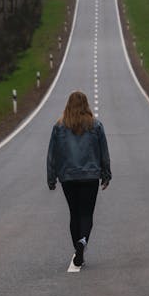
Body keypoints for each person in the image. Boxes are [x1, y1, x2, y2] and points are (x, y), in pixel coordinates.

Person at [47, 91, 111, 267]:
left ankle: (77, 246)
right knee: (86, 213)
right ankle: (82, 242)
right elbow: (103, 152)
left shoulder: (59, 127)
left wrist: (51, 178)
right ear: (86, 105)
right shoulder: (96, 126)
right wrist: (106, 174)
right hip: (90, 177)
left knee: (74, 213)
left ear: (68, 105)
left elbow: (52, 154)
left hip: (68, 177)